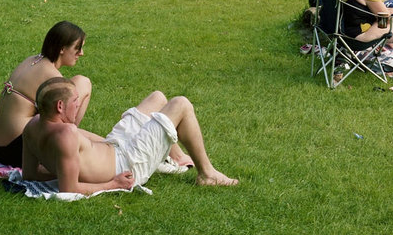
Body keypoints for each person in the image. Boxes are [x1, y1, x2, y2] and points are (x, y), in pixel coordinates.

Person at [23, 78, 237, 192]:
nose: (78, 105)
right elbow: (68, 188)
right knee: (181, 104)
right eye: (75, 102)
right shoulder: (66, 134)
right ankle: (207, 174)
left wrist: (63, 170)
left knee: (157, 98)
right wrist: (112, 184)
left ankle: (175, 157)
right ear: (60, 106)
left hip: (116, 146)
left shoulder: (31, 126)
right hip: (129, 164)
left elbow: (30, 174)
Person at [0, 21, 92, 168]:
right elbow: (64, 119)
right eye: (77, 48)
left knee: (73, 88)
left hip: (0, 148)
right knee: (83, 83)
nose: (81, 53)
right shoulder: (51, 75)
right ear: (62, 49)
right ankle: (72, 143)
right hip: (17, 152)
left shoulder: (32, 60)